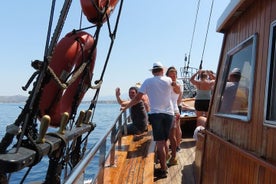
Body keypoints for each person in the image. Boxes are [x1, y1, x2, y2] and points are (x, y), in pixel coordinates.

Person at [120, 61, 175, 178]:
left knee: (160, 143)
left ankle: (164, 169)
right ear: (162, 70)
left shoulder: (147, 81)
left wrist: (126, 107)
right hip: (169, 114)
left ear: (153, 71)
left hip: (156, 115)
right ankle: (165, 161)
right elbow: (178, 91)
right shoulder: (169, 80)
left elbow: (137, 99)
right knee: (164, 141)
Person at [166, 67, 182, 162]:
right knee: (171, 134)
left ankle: (174, 153)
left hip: (174, 111)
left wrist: (174, 84)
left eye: (174, 75)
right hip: (167, 111)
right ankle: (170, 152)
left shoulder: (177, 85)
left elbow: (177, 90)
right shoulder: (165, 84)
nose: (173, 77)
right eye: (171, 75)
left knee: (173, 134)